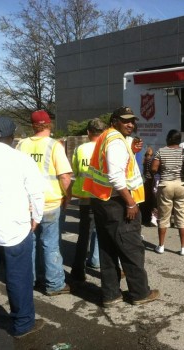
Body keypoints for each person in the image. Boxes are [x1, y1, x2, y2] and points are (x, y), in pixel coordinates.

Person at [0, 116, 46, 338]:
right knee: (18, 277)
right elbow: (36, 193)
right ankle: (22, 323)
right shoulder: (22, 160)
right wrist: (37, 218)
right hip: (15, 228)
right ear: (12, 136)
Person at [83, 106, 160, 307]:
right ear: (114, 121)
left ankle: (110, 294)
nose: (130, 124)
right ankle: (140, 293)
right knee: (131, 249)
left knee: (108, 248)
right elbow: (116, 176)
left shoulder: (107, 137)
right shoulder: (116, 141)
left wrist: (132, 150)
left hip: (102, 201)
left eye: (132, 121)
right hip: (118, 203)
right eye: (125, 121)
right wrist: (131, 202)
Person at [16, 110, 73, 296]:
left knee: (30, 243)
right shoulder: (54, 145)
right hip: (49, 202)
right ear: (49, 125)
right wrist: (68, 196)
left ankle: (30, 280)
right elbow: (65, 176)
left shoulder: (21, 145)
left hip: (27, 204)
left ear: (33, 126)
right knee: (50, 243)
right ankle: (54, 283)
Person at [151, 129, 184, 256]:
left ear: (168, 139)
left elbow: (154, 168)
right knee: (182, 217)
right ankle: (183, 248)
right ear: (179, 140)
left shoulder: (161, 151)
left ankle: (161, 246)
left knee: (163, 216)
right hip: (182, 185)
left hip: (166, 185)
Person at [70, 118, 107, 282]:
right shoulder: (106, 149)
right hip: (103, 197)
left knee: (84, 234)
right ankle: (97, 260)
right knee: (103, 233)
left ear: (88, 132)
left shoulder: (80, 149)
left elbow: (76, 171)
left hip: (85, 196)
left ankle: (78, 271)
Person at [140, 146, 159, 227]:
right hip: (150, 182)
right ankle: (149, 219)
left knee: (145, 202)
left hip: (145, 182)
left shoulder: (144, 161)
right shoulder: (151, 161)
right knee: (151, 202)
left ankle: (144, 218)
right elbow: (153, 172)